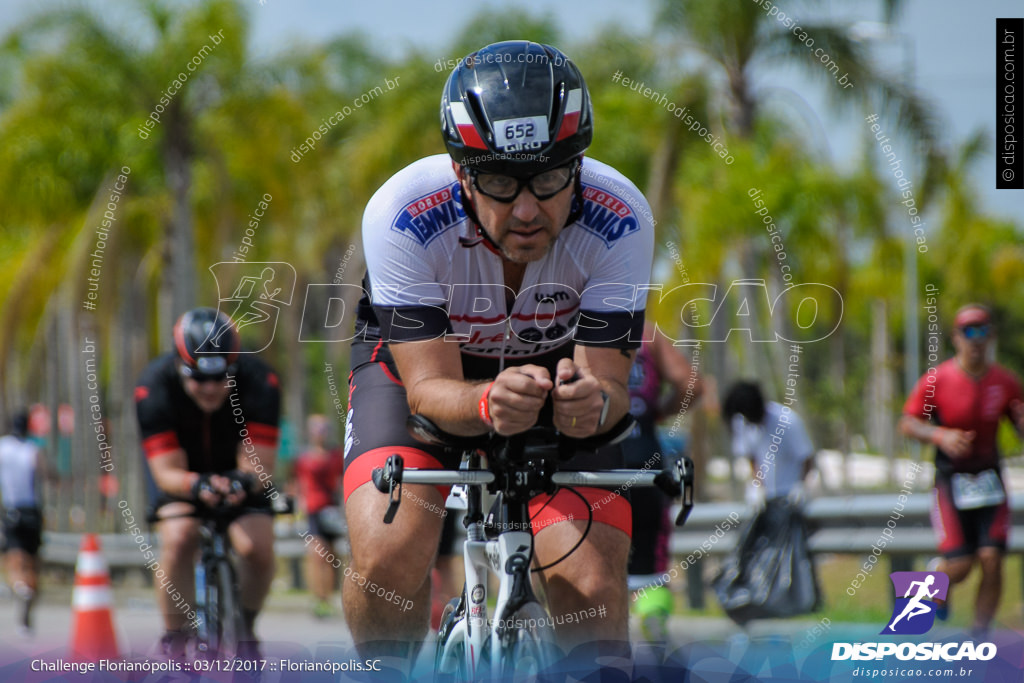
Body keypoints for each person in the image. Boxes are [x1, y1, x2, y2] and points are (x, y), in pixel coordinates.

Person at [343, 40, 654, 665]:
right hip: (418, 368)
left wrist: (590, 403)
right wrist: (487, 400)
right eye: (498, 182)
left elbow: (609, 390)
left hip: (553, 372)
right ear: (460, 172)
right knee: (387, 558)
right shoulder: (402, 213)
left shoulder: (620, 216)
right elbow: (429, 391)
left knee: (591, 589)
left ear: (578, 165)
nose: (527, 209)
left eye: (548, 178)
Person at [135, 307, 281, 657]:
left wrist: (241, 483)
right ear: (178, 366)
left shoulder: (262, 381)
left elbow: (259, 467)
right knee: (180, 536)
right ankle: (176, 636)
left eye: (220, 378)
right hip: (181, 475)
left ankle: (245, 626)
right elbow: (166, 472)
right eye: (198, 379)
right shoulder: (152, 388)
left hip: (239, 474)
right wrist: (198, 485)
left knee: (256, 548)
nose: (210, 388)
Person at [900, 304, 1024, 636]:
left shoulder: (1006, 382)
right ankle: (927, 584)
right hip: (950, 483)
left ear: (991, 336)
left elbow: (1018, 423)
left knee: (992, 560)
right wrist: (940, 435)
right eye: (968, 331)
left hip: (990, 483)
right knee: (961, 566)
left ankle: (979, 637)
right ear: (956, 337)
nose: (975, 340)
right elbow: (909, 422)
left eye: (982, 330)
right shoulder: (937, 381)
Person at [623, 322, 701, 642]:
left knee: (590, 557)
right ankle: (656, 637)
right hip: (645, 459)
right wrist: (656, 411)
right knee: (649, 559)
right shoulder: (647, 332)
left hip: (591, 461)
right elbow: (691, 385)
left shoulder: (573, 323)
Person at [722, 381, 815, 506]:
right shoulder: (742, 422)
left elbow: (807, 457)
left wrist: (800, 485)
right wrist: (758, 485)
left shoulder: (787, 420)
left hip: (789, 494)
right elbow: (752, 457)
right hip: (766, 497)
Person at [0, 410, 49, 635]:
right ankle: (28, 593)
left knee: (13, 558)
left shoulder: (2, 448)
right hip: (33, 511)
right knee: (33, 562)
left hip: (12, 510)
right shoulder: (32, 448)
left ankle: (19, 586)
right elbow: (47, 473)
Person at [293, 414, 344, 618]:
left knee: (332, 556)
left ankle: (327, 599)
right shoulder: (303, 458)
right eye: (316, 429)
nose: (320, 433)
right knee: (317, 555)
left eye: (323, 429)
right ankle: (318, 597)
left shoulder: (336, 455)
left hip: (331, 510)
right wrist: (299, 505)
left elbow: (341, 479)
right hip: (313, 509)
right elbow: (298, 483)